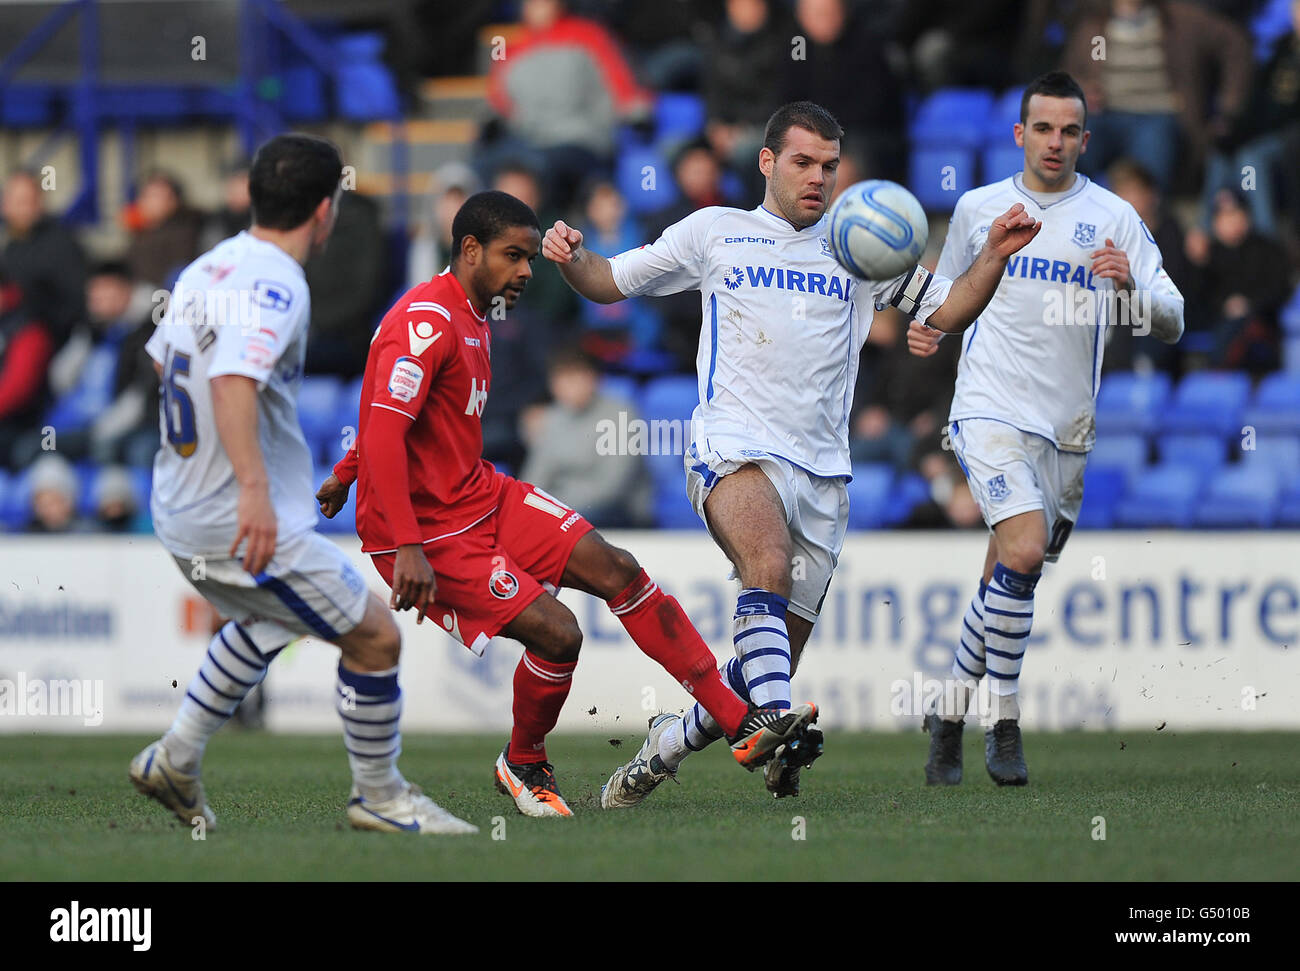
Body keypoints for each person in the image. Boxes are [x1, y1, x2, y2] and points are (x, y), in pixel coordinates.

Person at [545, 100, 1042, 802]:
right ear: (768, 162)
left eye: (830, 166)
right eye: (804, 162)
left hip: (823, 476)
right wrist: (574, 256)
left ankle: (669, 742)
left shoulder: (861, 244)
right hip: (734, 448)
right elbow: (609, 281)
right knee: (767, 565)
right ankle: (775, 722)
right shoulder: (716, 231)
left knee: (762, 658)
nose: (818, 178)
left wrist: (990, 255)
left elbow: (950, 308)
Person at [316, 190, 818, 819]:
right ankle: (522, 761)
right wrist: (407, 544)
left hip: (480, 494)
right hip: (422, 534)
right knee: (559, 634)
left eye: (529, 257)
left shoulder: (476, 312)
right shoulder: (425, 320)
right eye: (513, 256)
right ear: (470, 251)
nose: (527, 271)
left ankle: (739, 722)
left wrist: (343, 471)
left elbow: (395, 414)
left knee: (619, 570)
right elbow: (388, 429)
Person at [128, 134, 476, 836]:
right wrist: (252, 490)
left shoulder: (207, 266)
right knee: (376, 637)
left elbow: (167, 366)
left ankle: (176, 756)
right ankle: (380, 794)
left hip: (179, 503)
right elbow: (230, 378)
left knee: (273, 618)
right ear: (325, 211)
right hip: (235, 512)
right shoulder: (276, 281)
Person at [907, 72, 1185, 785]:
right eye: (1043, 128)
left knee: (1008, 574)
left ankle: (946, 714)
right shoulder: (978, 208)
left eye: (1069, 131)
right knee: (1023, 551)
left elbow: (1175, 318)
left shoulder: (1115, 216)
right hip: (989, 408)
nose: (1055, 142)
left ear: (1085, 140)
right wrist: (928, 327)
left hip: (1068, 431)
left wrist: (1130, 287)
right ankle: (1003, 722)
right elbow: (947, 295)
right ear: (1019, 135)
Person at [520, 346, 651, 527]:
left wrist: (557, 508)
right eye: (560, 379)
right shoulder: (552, 418)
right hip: (564, 511)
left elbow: (612, 487)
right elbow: (535, 479)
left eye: (574, 378)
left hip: (617, 511)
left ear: (594, 379)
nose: (567, 387)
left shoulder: (622, 414)